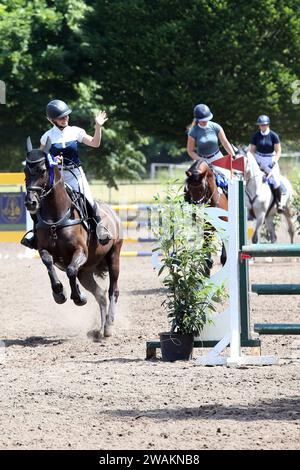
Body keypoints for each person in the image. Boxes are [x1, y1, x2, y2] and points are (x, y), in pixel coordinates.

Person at [21, 99, 112, 249]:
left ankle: (99, 228)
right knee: (40, 202)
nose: (65, 119)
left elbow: (95, 143)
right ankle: (35, 234)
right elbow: (41, 159)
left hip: (75, 173)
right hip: (56, 177)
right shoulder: (46, 136)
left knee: (88, 199)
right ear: (52, 120)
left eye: (66, 116)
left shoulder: (76, 131)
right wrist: (52, 159)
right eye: (61, 117)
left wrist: (98, 126)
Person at [187, 103, 236, 184]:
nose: (205, 121)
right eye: (202, 120)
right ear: (197, 119)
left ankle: (232, 196)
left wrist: (233, 155)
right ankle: (188, 196)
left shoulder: (216, 127)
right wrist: (201, 159)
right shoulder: (193, 131)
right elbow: (190, 151)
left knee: (231, 179)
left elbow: (225, 142)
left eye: (206, 119)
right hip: (201, 160)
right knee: (191, 179)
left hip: (217, 157)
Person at [249, 115, 283, 212]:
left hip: (271, 159)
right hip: (259, 159)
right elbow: (251, 151)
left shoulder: (273, 136)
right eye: (260, 125)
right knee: (253, 179)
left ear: (268, 125)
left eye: (264, 125)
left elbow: (278, 151)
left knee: (276, 180)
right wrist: (257, 163)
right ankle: (251, 205)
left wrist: (273, 163)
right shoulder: (256, 136)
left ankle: (279, 202)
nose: (262, 127)